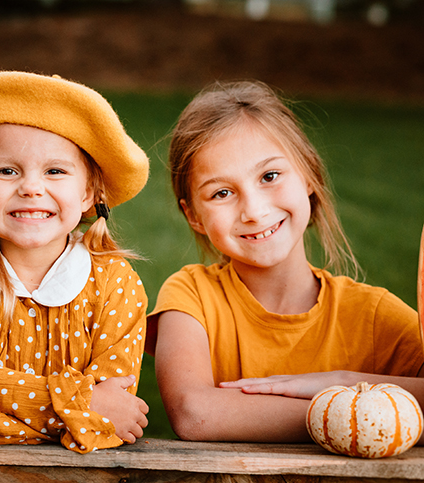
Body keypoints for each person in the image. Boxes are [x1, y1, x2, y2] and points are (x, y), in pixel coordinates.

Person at [147, 80, 424, 443]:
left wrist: (342, 381)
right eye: (222, 193)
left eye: (270, 176)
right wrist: (347, 411)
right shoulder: (192, 296)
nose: (254, 210)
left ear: (308, 174)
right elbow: (194, 414)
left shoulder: (372, 317)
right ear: (194, 215)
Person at [0, 71, 150, 454]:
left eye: (55, 171)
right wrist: (82, 406)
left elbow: (113, 418)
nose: (31, 187)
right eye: (7, 170)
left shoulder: (116, 284)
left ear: (89, 191)